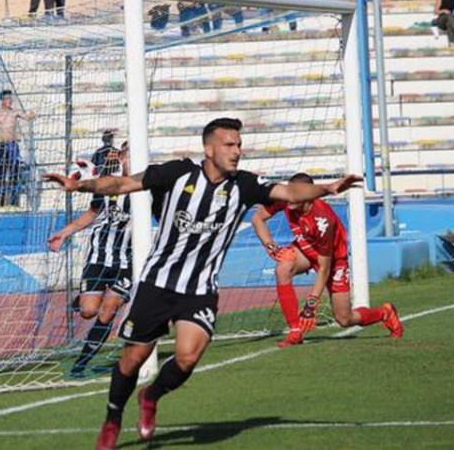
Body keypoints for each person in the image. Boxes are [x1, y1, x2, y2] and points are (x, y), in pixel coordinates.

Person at [44, 118, 362, 449]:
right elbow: (123, 185)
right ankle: (112, 419)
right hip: (158, 282)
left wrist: (327, 188)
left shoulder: (245, 185)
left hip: (200, 289)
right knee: (132, 360)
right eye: (229, 145)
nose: (237, 151)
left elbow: (289, 190)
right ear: (208, 149)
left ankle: (150, 395)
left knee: (187, 356)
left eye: (239, 145)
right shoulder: (177, 173)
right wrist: (79, 186)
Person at [252, 172, 403, 347]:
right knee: (282, 268)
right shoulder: (286, 199)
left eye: (296, 194)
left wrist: (311, 303)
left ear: (308, 195)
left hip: (333, 260)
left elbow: (324, 267)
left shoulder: (322, 219)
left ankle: (384, 312)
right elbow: (257, 219)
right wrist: (271, 247)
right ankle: (295, 331)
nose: (290, 199)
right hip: (306, 248)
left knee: (344, 319)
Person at [48, 143, 132, 377]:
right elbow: (92, 214)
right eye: (127, 156)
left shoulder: (146, 187)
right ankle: (81, 301)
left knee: (108, 312)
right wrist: (63, 233)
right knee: (88, 312)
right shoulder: (106, 185)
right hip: (98, 258)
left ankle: (81, 362)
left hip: (127, 263)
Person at [0, 90, 35, 207]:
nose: (10, 101)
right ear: (2, 100)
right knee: (0, 173)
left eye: (10, 98)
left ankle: (13, 200)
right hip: (0, 146)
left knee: (14, 172)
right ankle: (2, 196)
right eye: (7, 98)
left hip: (12, 146)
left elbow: (26, 117)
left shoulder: (14, 113)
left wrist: (31, 114)